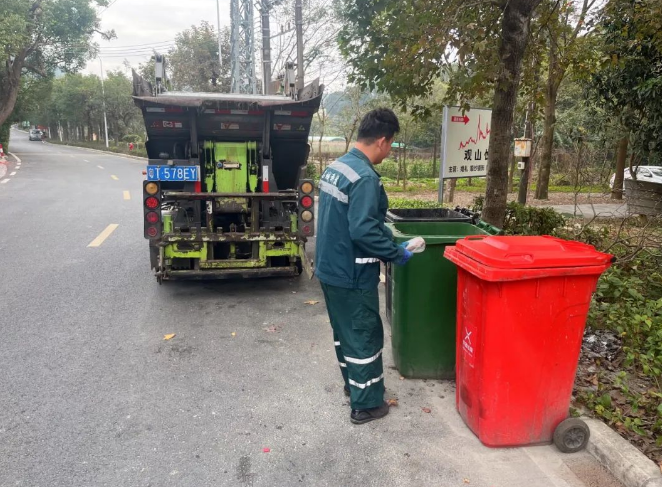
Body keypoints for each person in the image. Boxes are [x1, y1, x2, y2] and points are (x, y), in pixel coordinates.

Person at [315, 108, 414, 425]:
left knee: (345, 334)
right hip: (353, 273)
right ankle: (367, 404)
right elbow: (363, 230)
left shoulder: (338, 167)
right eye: (392, 144)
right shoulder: (366, 177)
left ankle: (353, 387)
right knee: (364, 335)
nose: (389, 151)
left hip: (330, 269)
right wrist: (396, 252)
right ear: (383, 141)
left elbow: (351, 222)